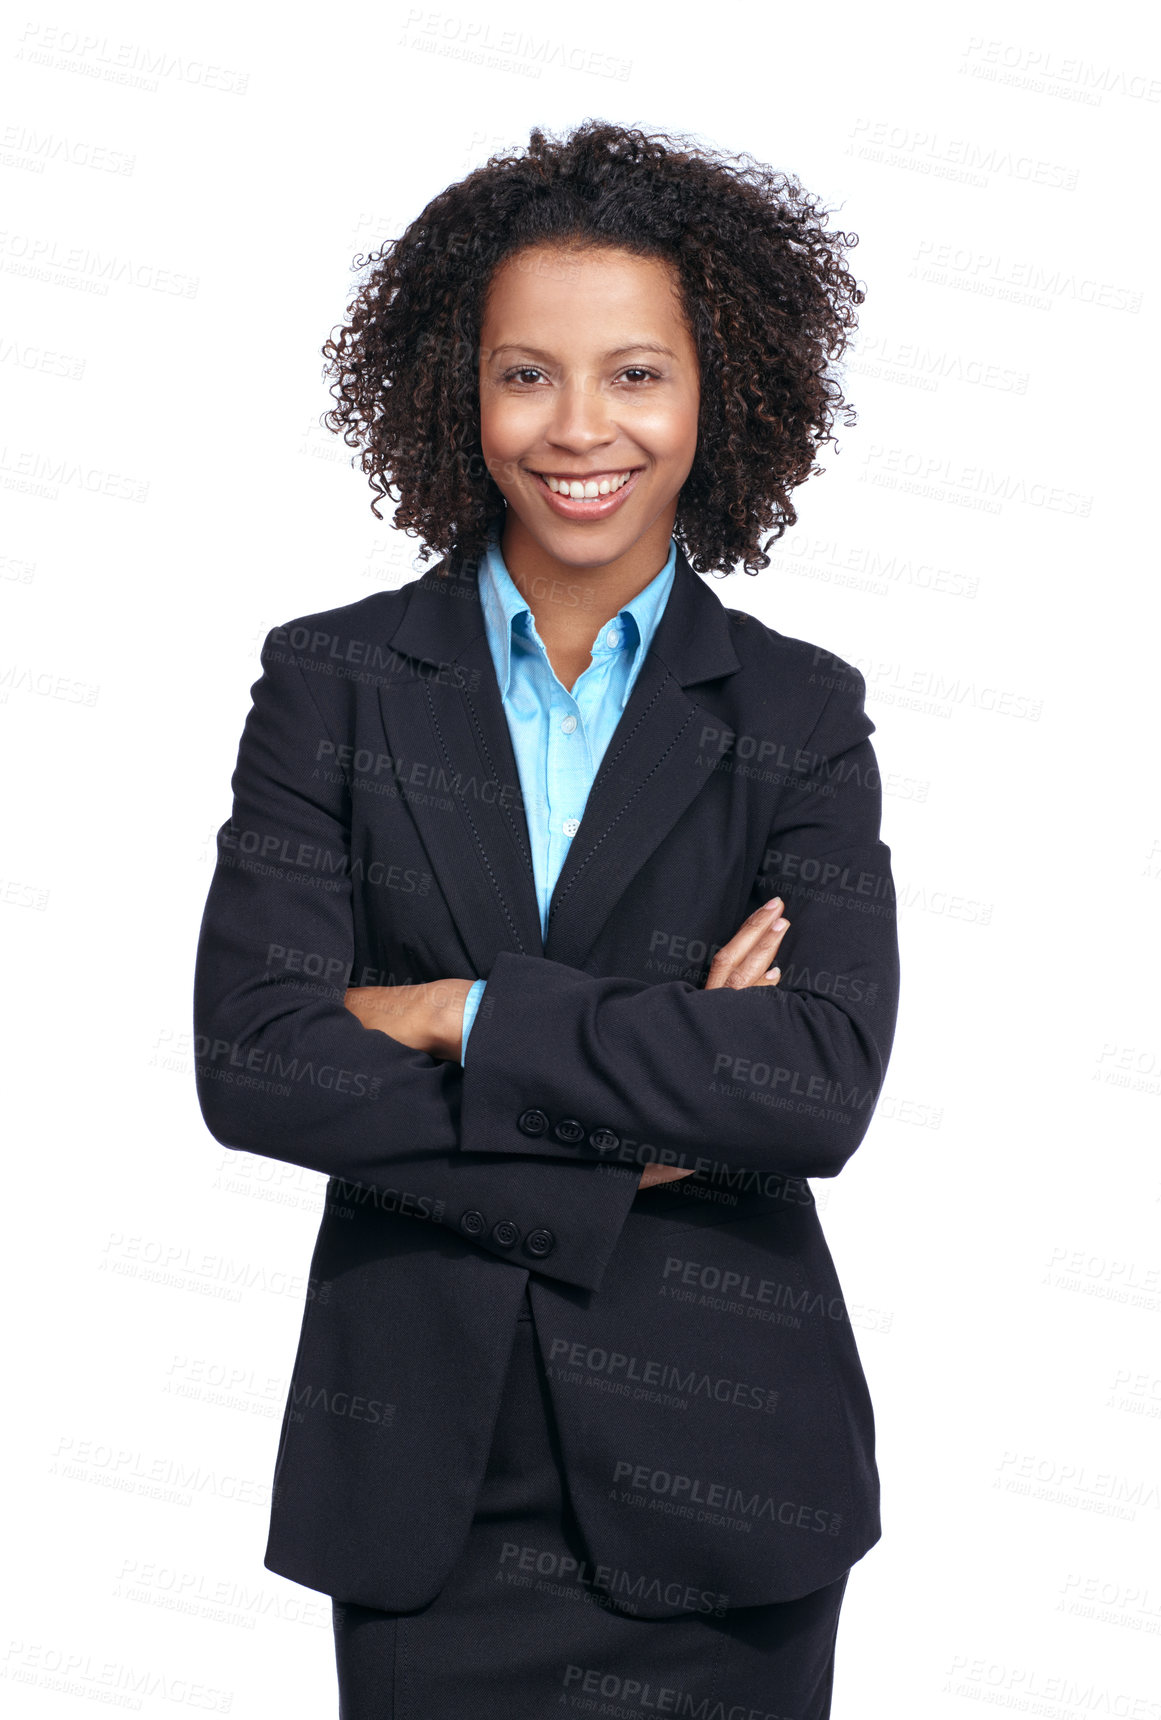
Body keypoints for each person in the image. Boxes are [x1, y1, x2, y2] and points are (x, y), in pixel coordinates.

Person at [193, 118, 900, 1719]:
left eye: (635, 373)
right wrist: (647, 1113)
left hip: (731, 1481)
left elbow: (811, 1084)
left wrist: (460, 1013)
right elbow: (257, 1061)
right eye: (528, 374)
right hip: (424, 1482)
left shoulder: (797, 712)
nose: (580, 426)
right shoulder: (334, 685)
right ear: (463, 389)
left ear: (715, 392)